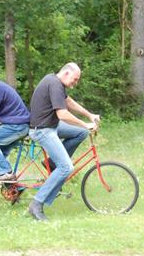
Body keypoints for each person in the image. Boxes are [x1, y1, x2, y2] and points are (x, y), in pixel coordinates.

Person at [27, 63, 100, 221]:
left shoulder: (55, 82)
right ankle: (36, 204)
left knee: (80, 133)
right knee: (66, 167)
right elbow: (63, 114)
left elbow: (68, 102)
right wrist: (85, 124)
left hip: (51, 125)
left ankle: (53, 163)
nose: (76, 83)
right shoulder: (54, 83)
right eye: (75, 79)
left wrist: (89, 115)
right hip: (42, 130)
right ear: (66, 73)